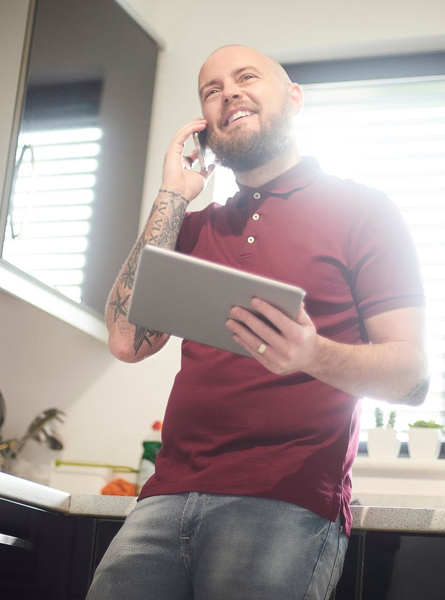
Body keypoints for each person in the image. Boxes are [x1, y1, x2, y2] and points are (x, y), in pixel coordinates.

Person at [89, 45, 429, 600]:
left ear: (295, 98)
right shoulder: (193, 229)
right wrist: (172, 195)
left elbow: (411, 378)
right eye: (211, 90)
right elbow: (127, 340)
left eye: (246, 77)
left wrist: (311, 354)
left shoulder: (364, 210)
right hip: (163, 500)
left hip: (286, 504)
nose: (229, 93)